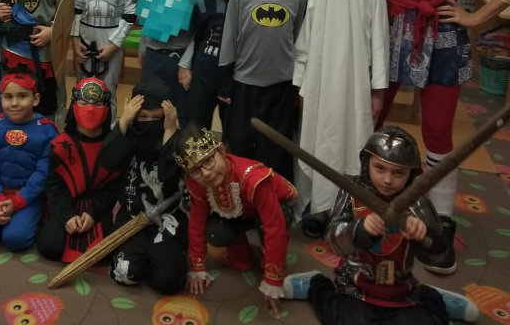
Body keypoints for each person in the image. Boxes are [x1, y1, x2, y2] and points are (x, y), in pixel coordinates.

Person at [369, 0, 510, 274]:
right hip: (389, 29)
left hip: (442, 34)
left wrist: (477, 17)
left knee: (437, 131)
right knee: (370, 116)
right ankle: (363, 202)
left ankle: (440, 219)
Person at [282, 126, 479, 324]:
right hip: (355, 285)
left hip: (401, 288)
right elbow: (333, 242)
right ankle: (315, 284)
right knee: (345, 320)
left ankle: (434, 298)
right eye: (380, 168)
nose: (387, 180)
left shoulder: (418, 203)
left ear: (412, 172)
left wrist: (423, 237)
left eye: (398, 173)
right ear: (367, 162)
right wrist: (361, 229)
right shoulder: (352, 193)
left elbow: (439, 256)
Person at [293, 0, 389, 236]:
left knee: (353, 144)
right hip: (320, 86)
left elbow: (380, 46)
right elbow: (304, 44)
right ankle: (318, 205)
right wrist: (301, 85)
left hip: (356, 89)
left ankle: (346, 205)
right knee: (319, 141)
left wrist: (378, 91)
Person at [172, 125, 297, 317]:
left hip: (270, 211)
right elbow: (197, 222)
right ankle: (239, 244)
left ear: (222, 151)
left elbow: (275, 226)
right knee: (217, 235)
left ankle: (269, 257)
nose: (205, 173)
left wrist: (273, 278)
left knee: (277, 221)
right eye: (195, 170)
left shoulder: (252, 178)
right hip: (236, 214)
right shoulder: (198, 184)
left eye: (208, 161)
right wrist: (198, 266)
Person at [219, 0, 307, 181]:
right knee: (239, 145)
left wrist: (299, 84)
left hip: (282, 86)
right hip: (244, 83)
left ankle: (277, 195)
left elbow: (301, 41)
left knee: (277, 149)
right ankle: (238, 195)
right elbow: (229, 38)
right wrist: (225, 81)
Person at [99, 76, 187, 295]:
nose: (149, 122)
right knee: (125, 274)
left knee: (168, 281)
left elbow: (167, 175)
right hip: (132, 216)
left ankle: (161, 256)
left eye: (156, 118)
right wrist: (125, 120)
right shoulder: (129, 134)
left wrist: (169, 132)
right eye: (143, 117)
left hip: (166, 218)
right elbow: (107, 160)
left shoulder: (177, 138)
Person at [0, 69, 59, 252]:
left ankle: (20, 219)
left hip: (28, 196)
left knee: (15, 240)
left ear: (35, 99)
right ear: (1, 99)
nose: (15, 103)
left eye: (22, 96)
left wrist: (18, 202)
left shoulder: (47, 131)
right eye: (8, 97)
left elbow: (44, 172)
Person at [36, 77, 125, 263]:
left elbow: (114, 187)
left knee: (107, 249)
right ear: (74, 105)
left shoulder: (113, 147)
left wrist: (93, 213)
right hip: (67, 203)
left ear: (107, 107)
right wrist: (67, 216)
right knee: (50, 246)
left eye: (98, 103)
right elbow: (54, 187)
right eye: (84, 103)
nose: (90, 109)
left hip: (99, 205)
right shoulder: (60, 145)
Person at [138, 0, 205, 122]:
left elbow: (200, 34)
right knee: (151, 105)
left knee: (180, 111)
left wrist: (185, 64)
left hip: (179, 58)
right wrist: (143, 47)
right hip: (153, 55)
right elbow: (148, 17)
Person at [178, 0, 246, 128]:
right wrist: (185, 65)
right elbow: (196, 37)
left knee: (234, 129)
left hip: (236, 75)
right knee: (196, 128)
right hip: (205, 70)